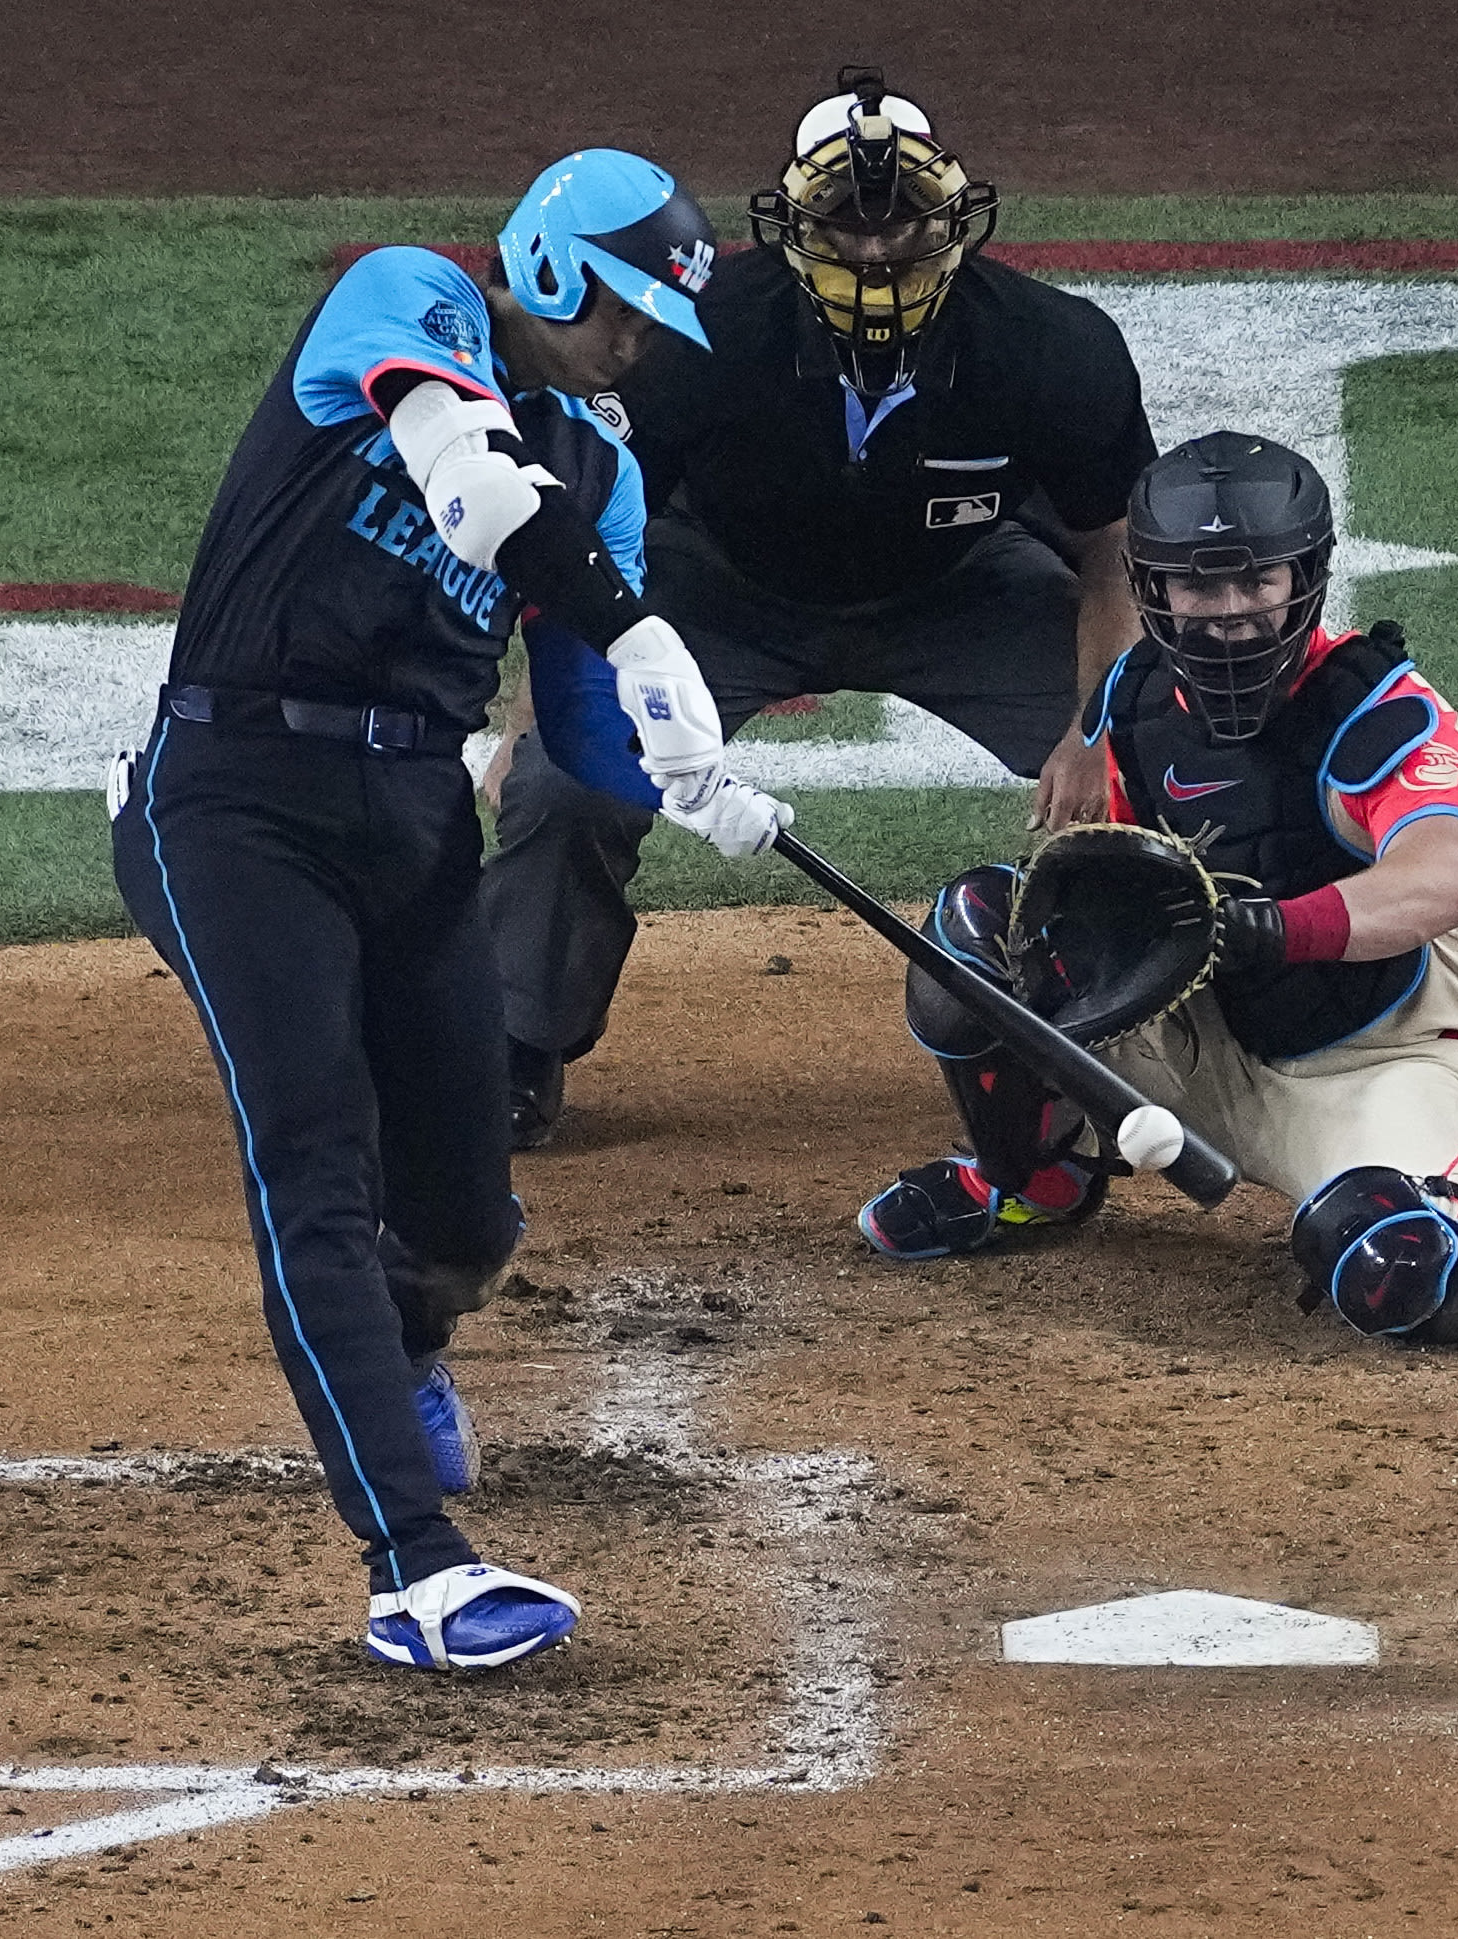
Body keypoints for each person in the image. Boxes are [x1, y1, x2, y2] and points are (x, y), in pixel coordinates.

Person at [110, 151, 790, 1672]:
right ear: (550, 271)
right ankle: (414, 1565)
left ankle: (404, 1344)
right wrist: (641, 621)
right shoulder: (403, 296)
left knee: (469, 1213)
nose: (631, 350)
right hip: (234, 798)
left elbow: (585, 723)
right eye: (619, 314)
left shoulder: (603, 475)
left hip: (412, 816)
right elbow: (473, 490)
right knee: (315, 1160)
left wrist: (695, 778)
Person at [854, 432, 1458, 1344]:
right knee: (968, 944)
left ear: (1306, 578)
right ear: (1152, 588)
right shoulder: (1127, 700)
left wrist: (1268, 928)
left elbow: (1444, 874)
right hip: (1211, 1035)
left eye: (1256, 581)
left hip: (1386, 1055)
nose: (1230, 615)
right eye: (1200, 587)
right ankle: (1032, 1175)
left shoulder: (1379, 709)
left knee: (1401, 1268)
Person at [481, 68, 1158, 1148]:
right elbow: (581, 529)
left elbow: (1110, 544)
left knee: (1157, 761)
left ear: (952, 217)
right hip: (723, 586)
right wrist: (531, 714)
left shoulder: (1049, 345)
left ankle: (1171, 1031)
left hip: (960, 589)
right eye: (848, 220)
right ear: (793, 224)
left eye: (902, 220)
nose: (878, 247)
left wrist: (1094, 728)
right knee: (565, 782)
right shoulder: (694, 339)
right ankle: (514, 1049)